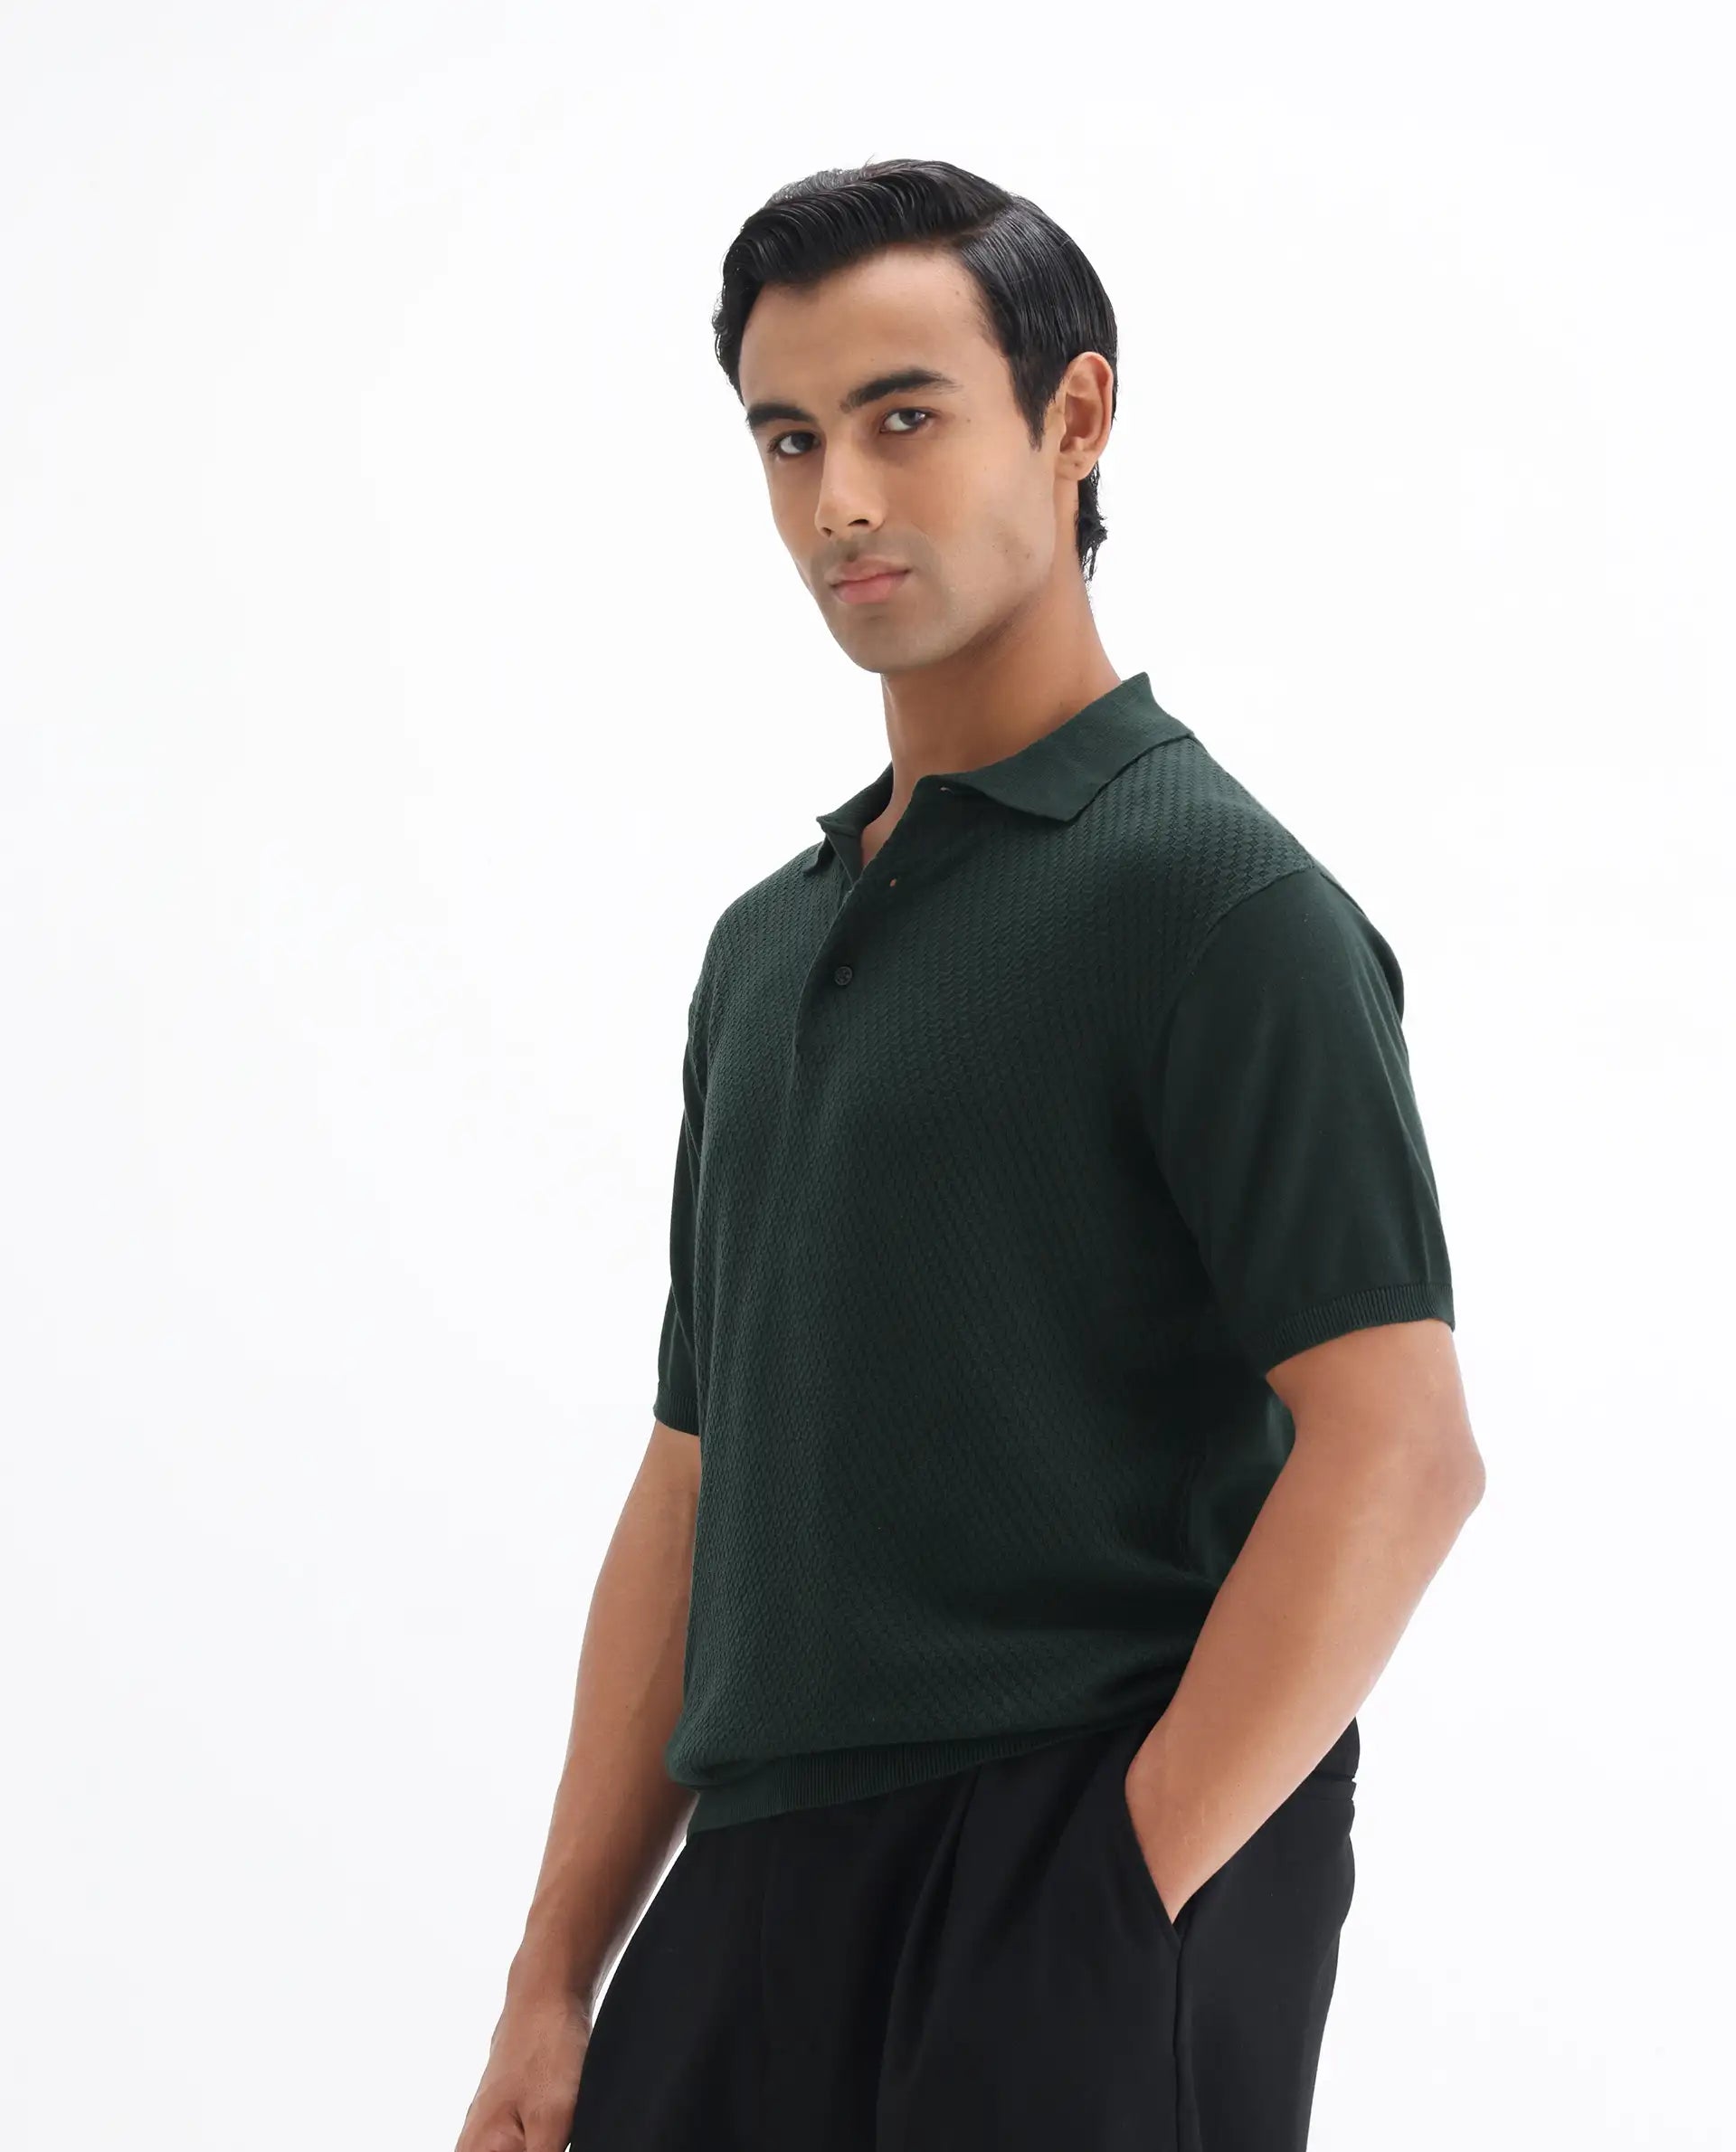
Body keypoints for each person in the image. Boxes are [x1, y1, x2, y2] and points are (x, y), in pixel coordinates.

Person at [454, 156, 1485, 2152]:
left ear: (1075, 418)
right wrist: (554, 1973)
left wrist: (1118, 1882)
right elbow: (696, 1470)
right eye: (789, 439)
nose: (839, 498)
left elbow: (1403, 1445)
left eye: (903, 418)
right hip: (759, 1868)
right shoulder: (766, 946)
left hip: (1071, 1839)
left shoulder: (1216, 901)